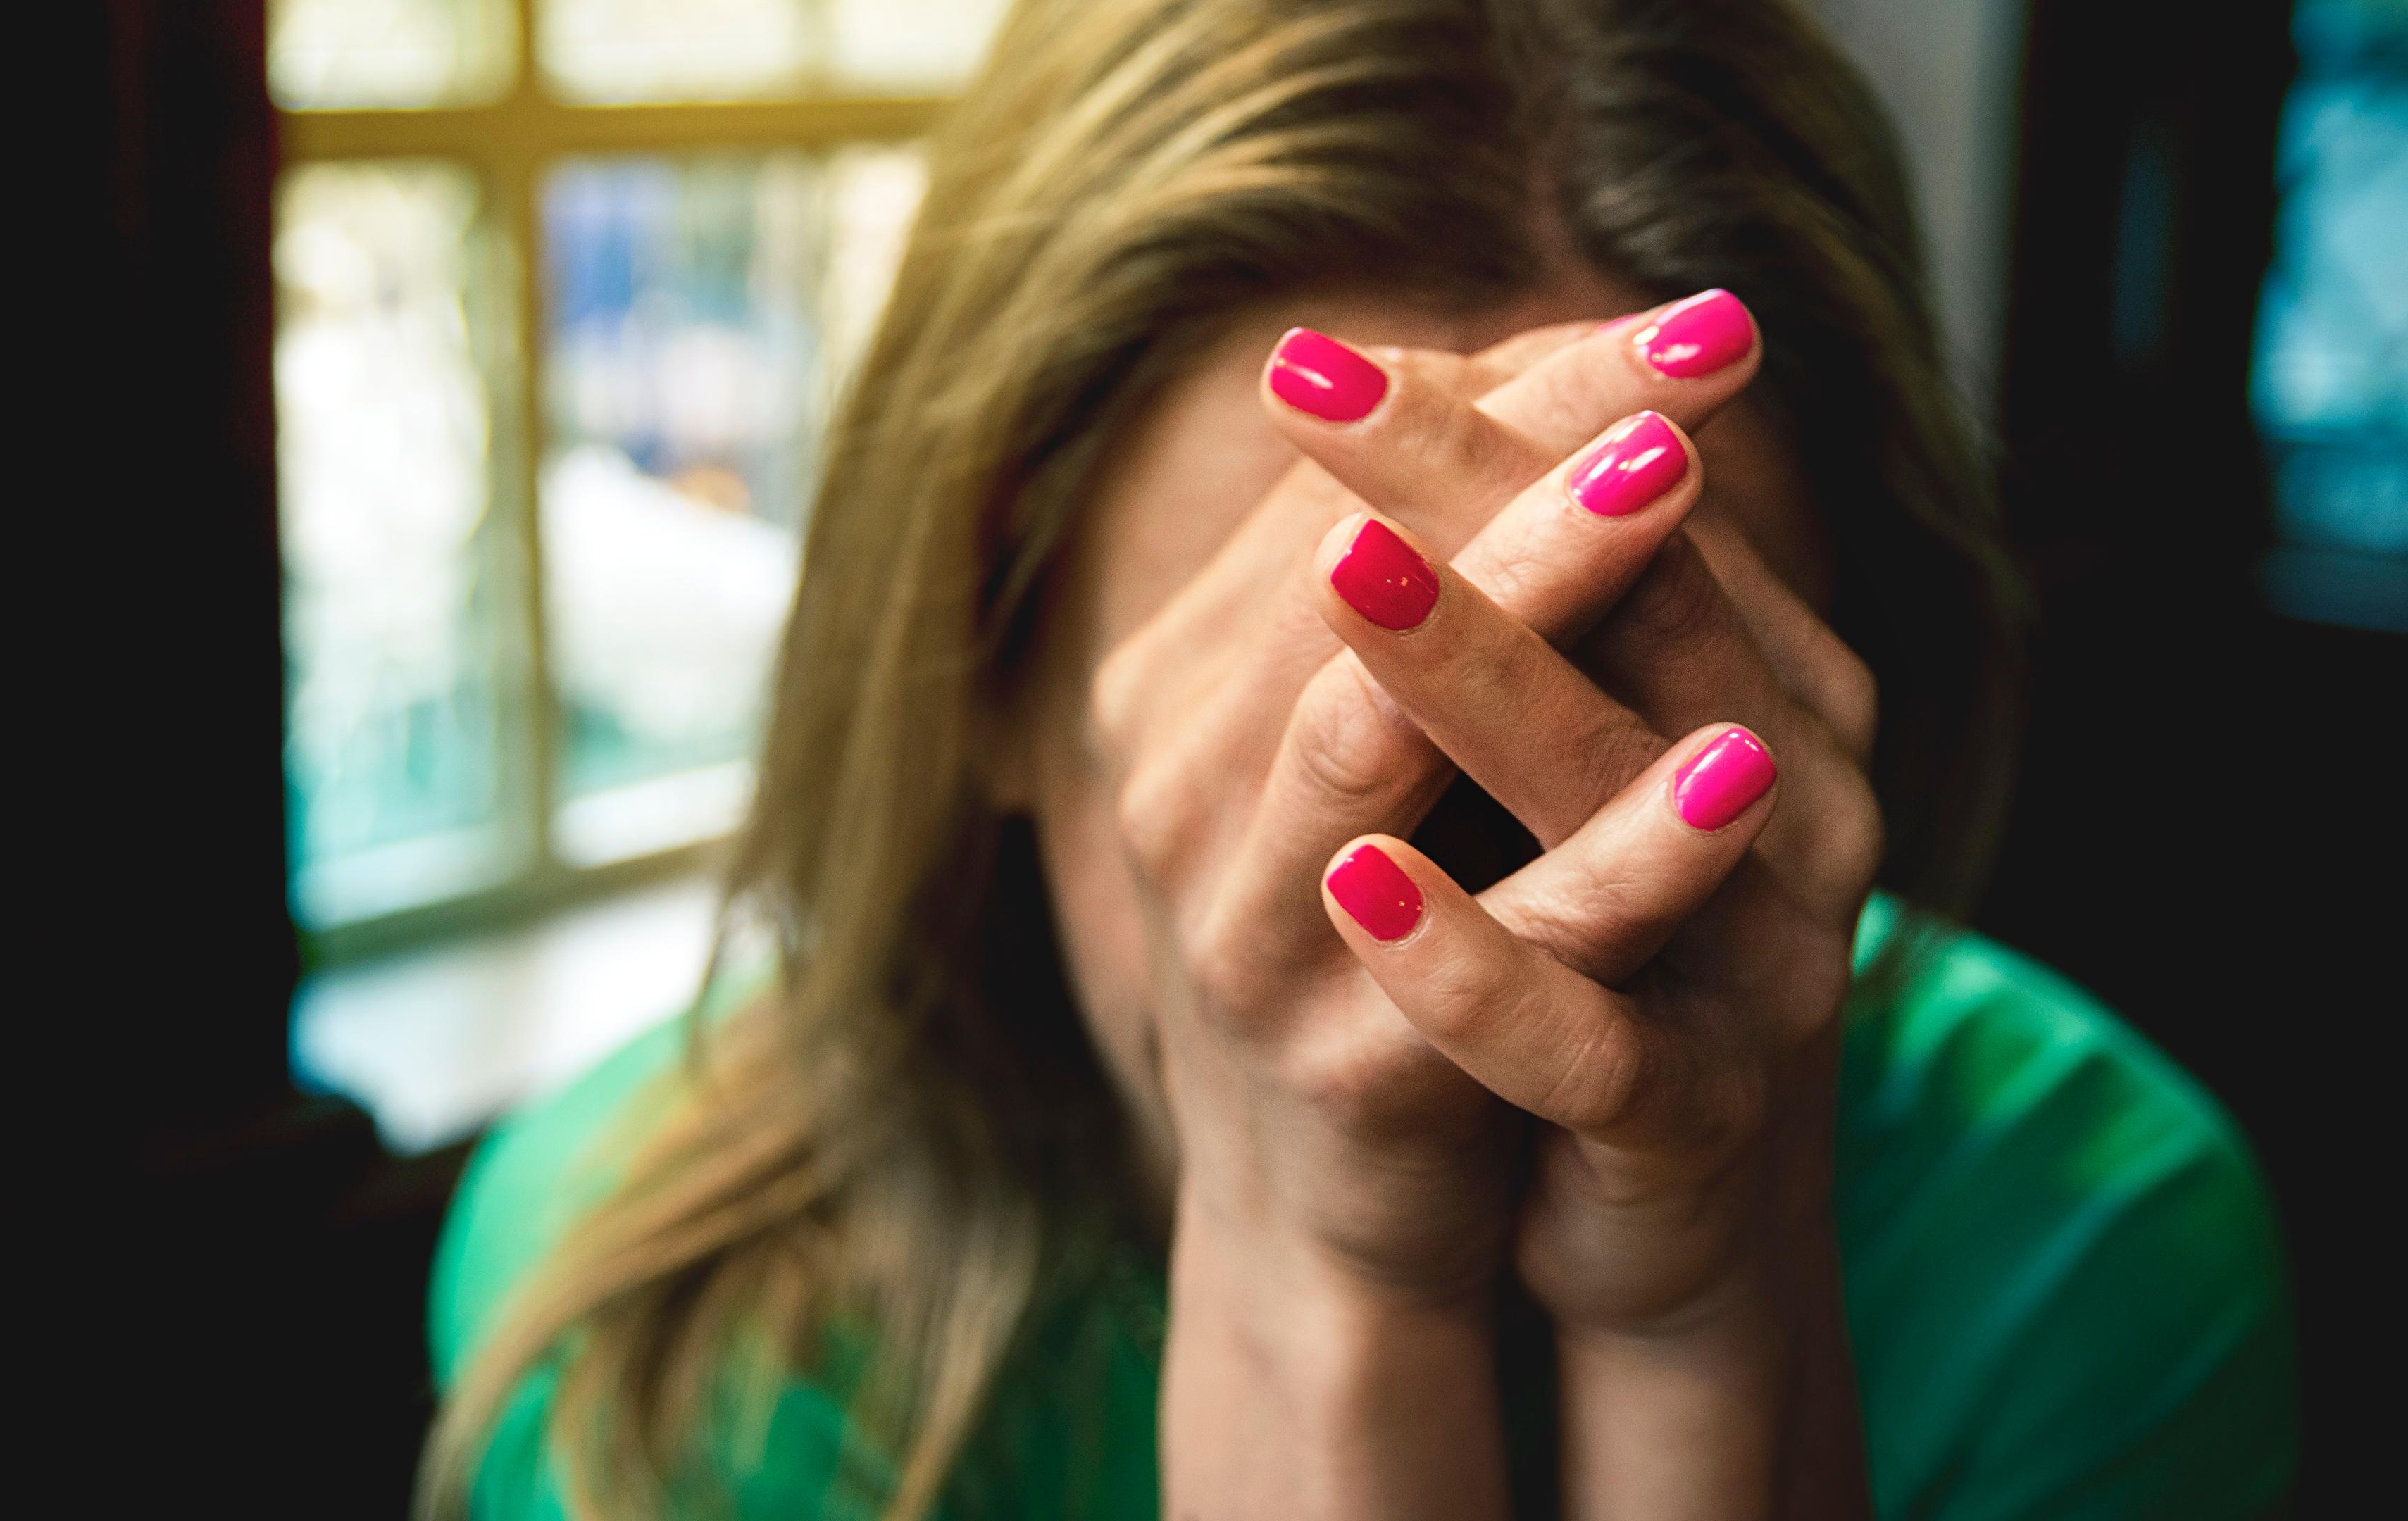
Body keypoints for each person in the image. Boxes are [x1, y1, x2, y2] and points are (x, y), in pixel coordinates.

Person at [422, 1, 2297, 1516]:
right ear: (984, 673)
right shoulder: (671, 1328)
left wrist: (1711, 1331)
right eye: (1290, 746)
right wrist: (1327, 1296)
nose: (1472, 981)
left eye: (1614, 737)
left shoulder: (2088, 1250)